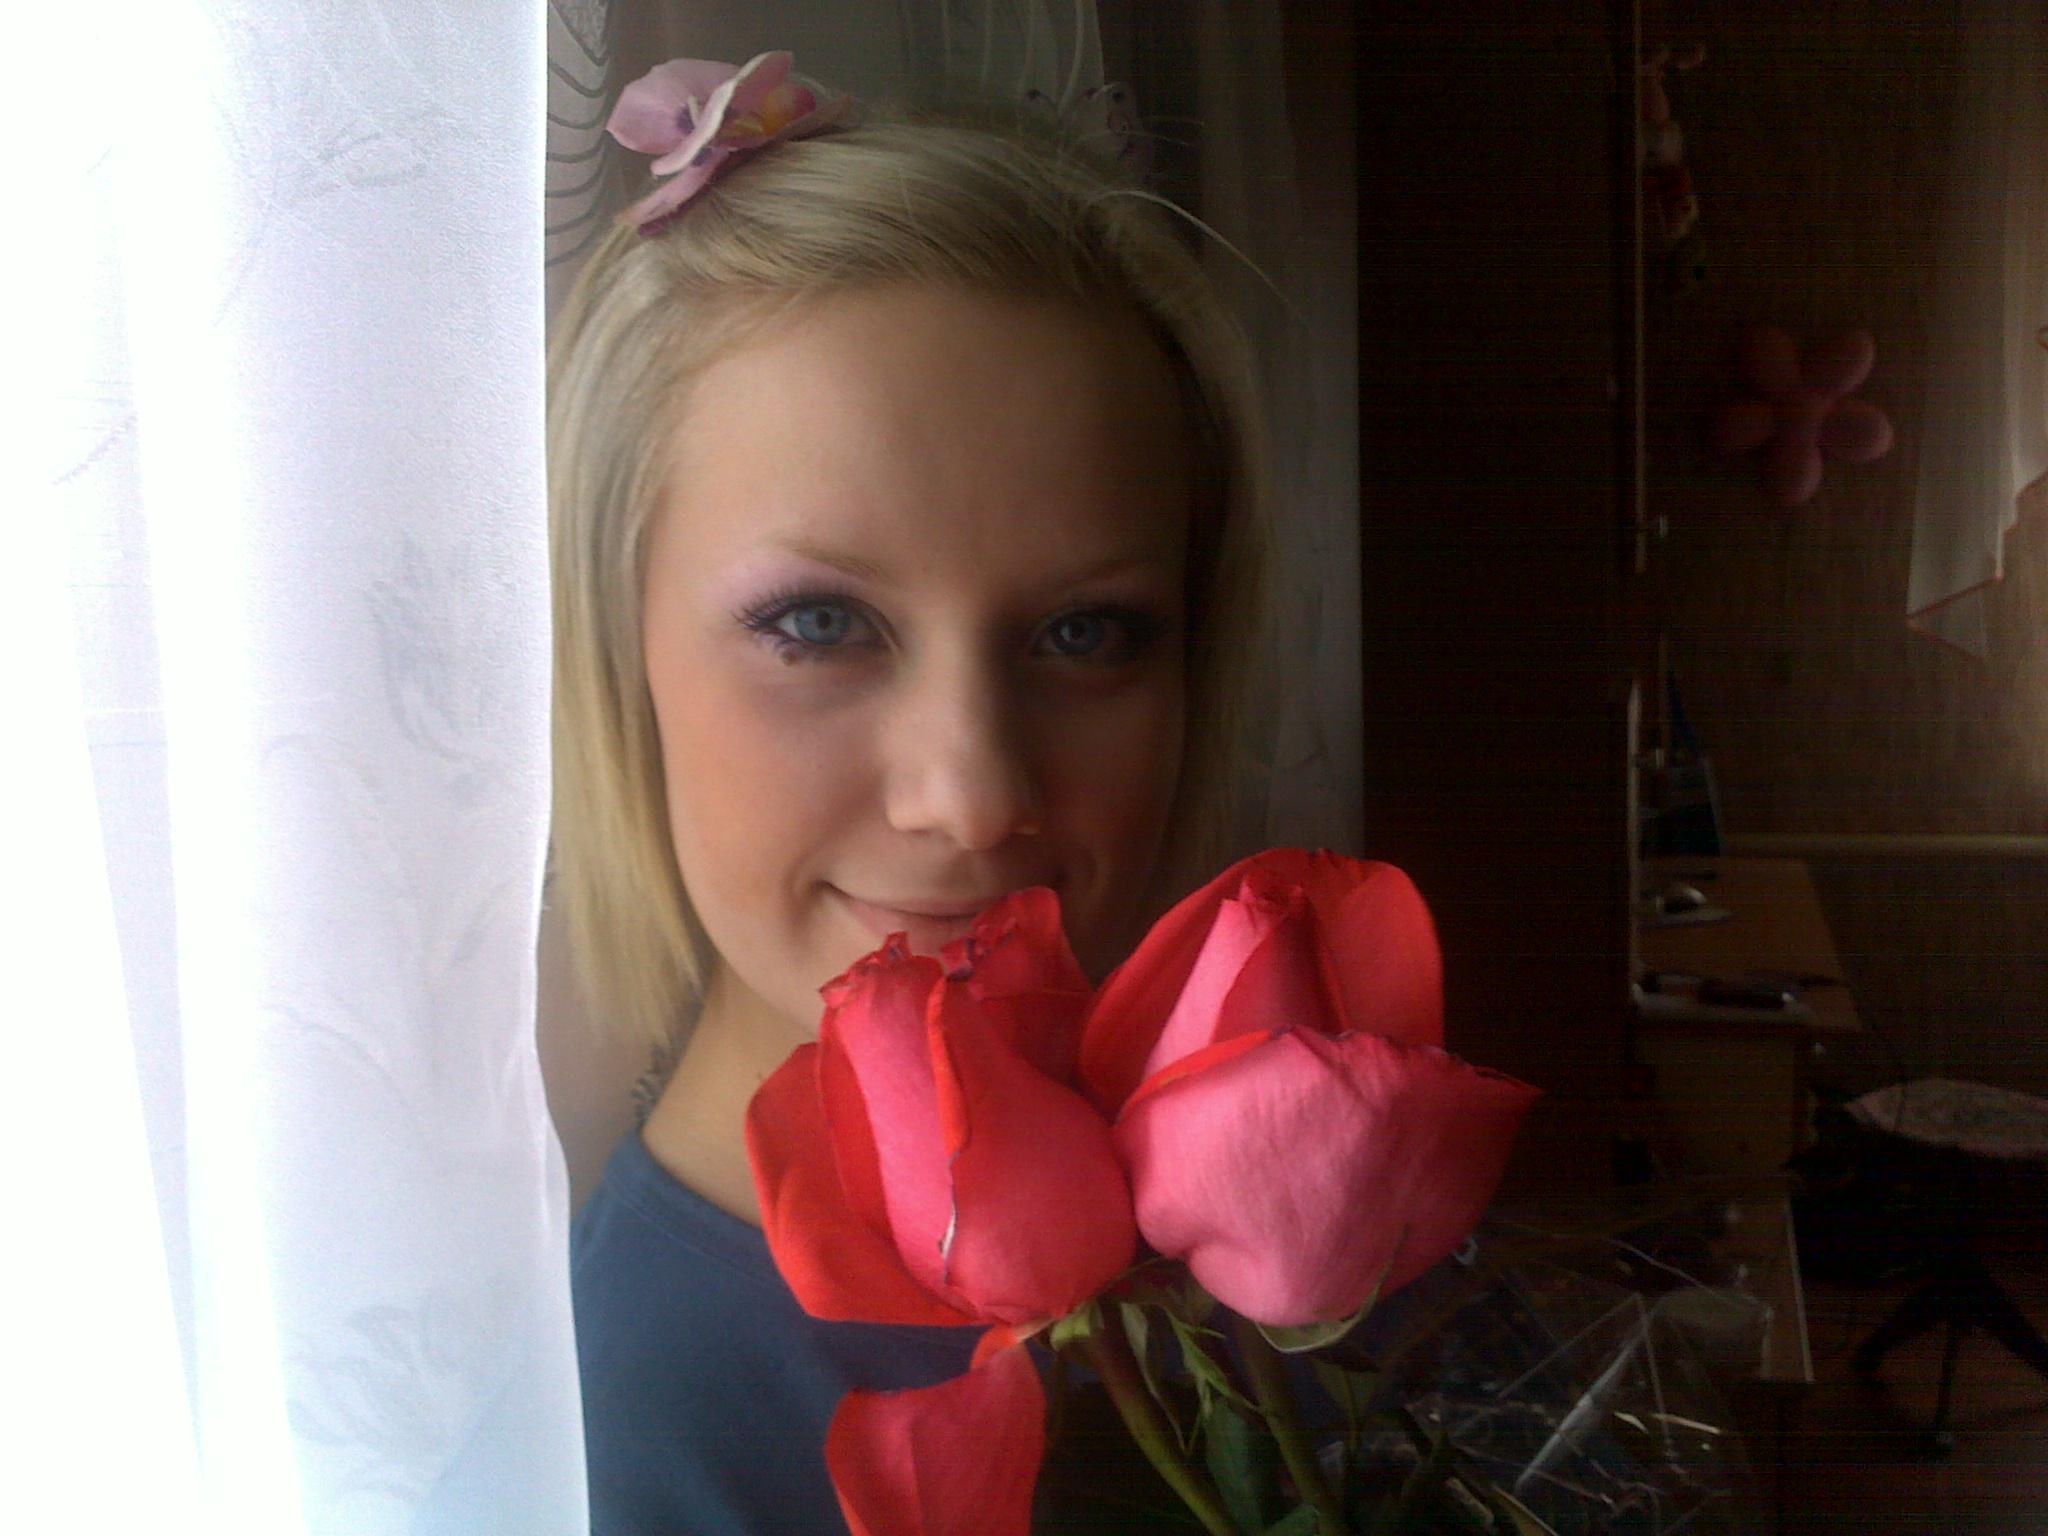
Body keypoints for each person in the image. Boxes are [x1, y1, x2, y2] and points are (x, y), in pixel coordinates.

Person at [549, 52, 1271, 1535]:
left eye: (1087, 635)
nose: (973, 795)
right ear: (619, 653)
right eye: (819, 624)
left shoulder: (1306, 1260)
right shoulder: (579, 1460)